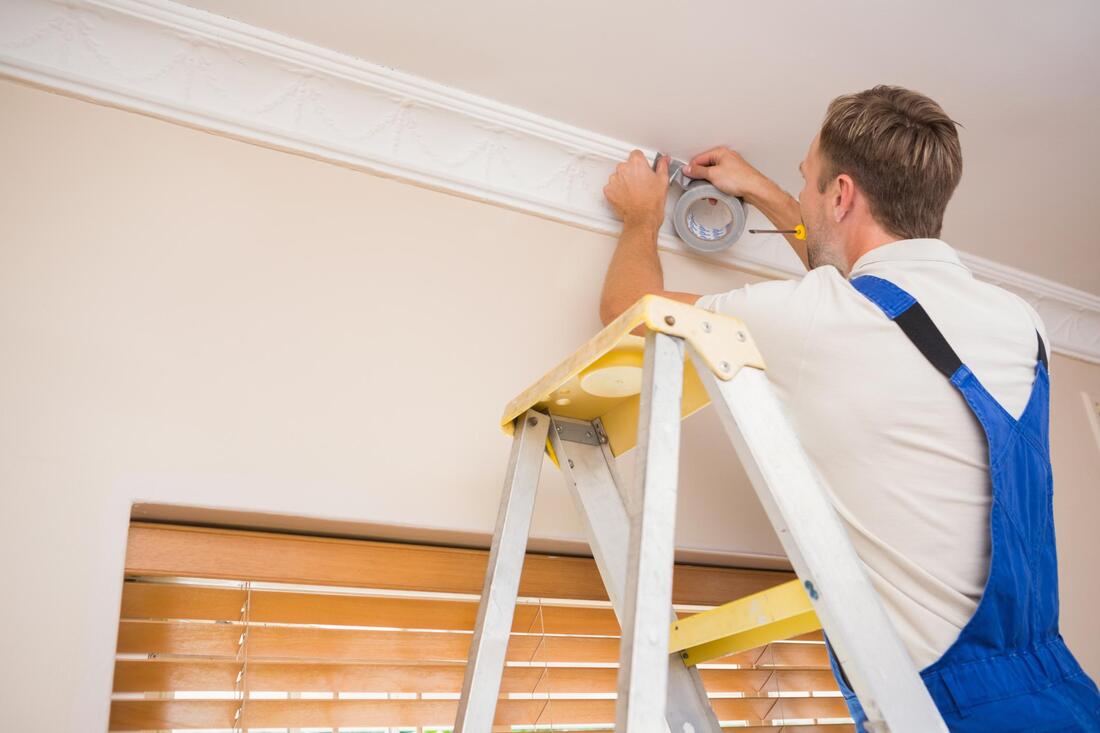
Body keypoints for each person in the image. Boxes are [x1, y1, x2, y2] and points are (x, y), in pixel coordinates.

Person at [598, 85, 1100, 730]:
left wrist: (640, 217)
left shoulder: (817, 319)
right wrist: (772, 195)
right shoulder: (1021, 322)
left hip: (951, 714)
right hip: (1063, 693)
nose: (801, 194)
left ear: (841, 195)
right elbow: (858, 301)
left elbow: (630, 312)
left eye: (807, 183)